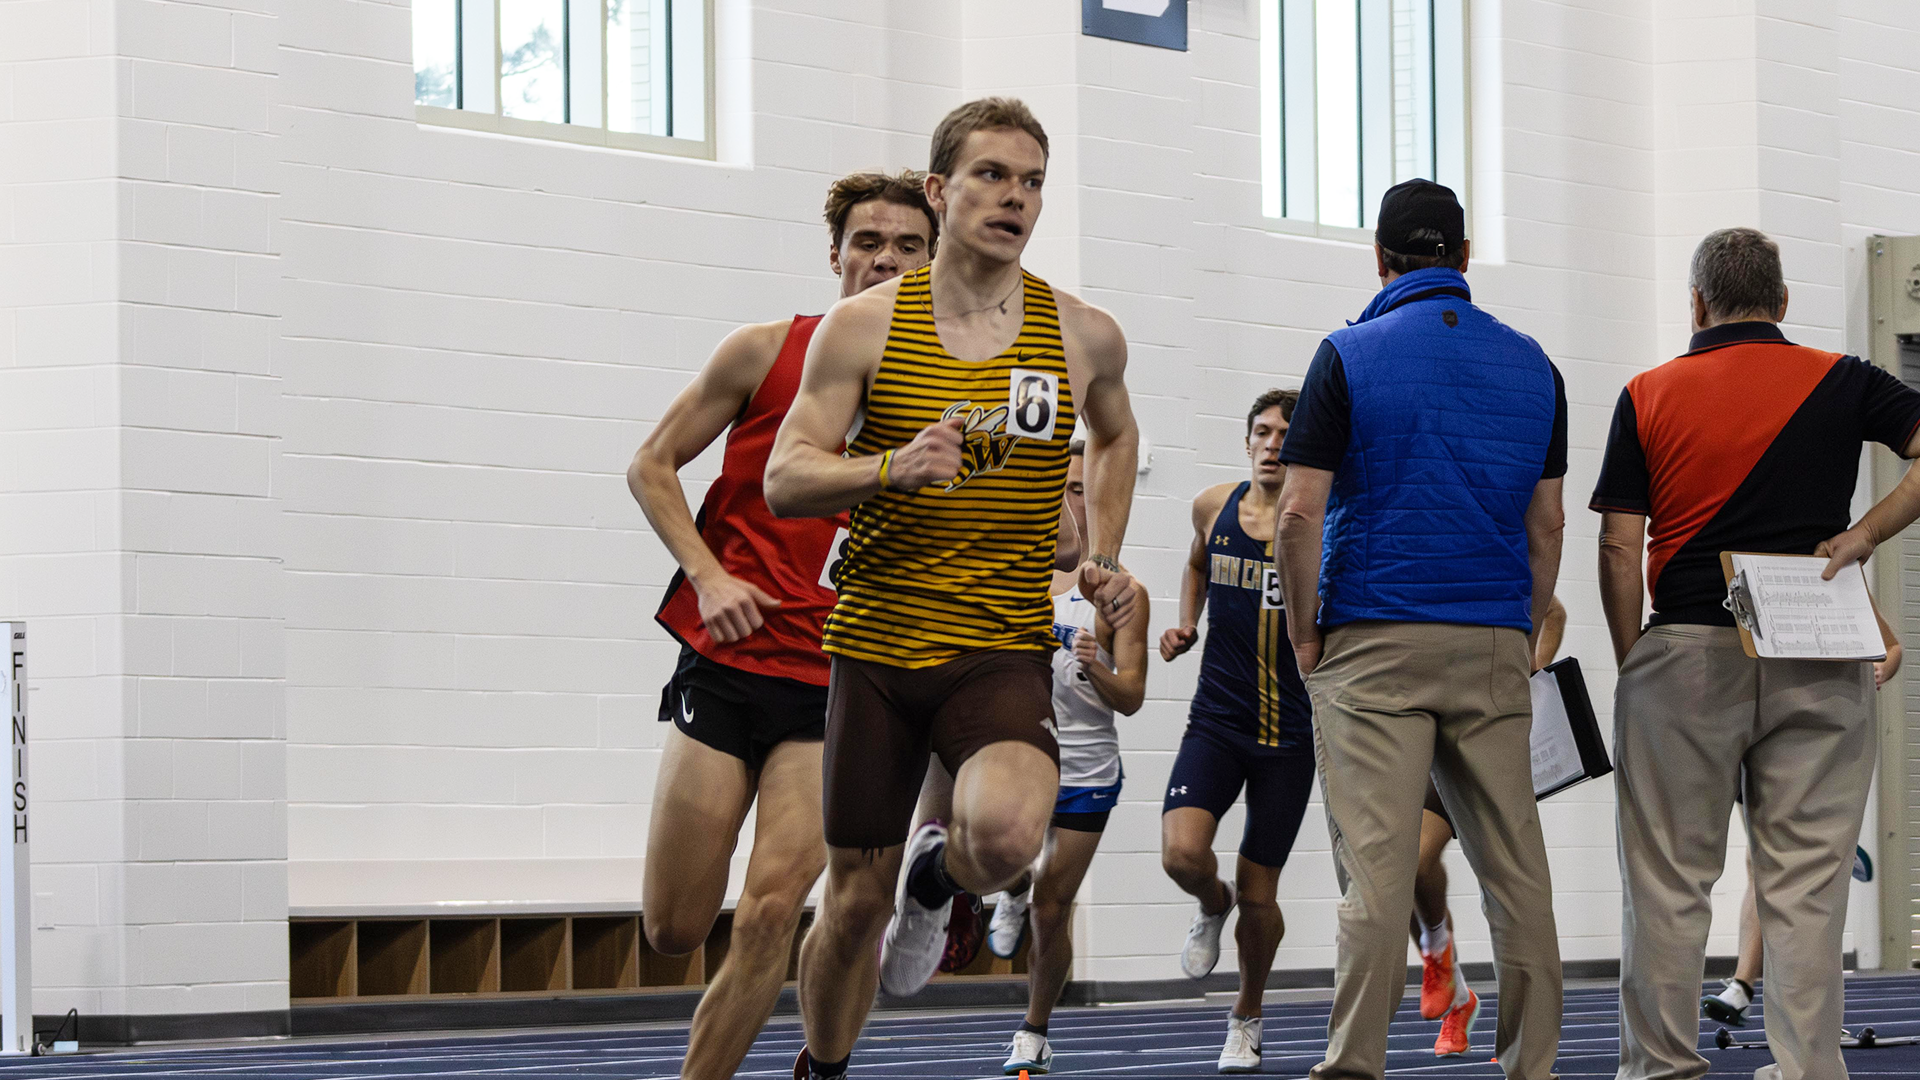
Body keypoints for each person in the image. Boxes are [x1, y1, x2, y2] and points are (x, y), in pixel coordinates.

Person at [764, 97, 1141, 1080]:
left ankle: (941, 877)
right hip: (879, 649)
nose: (1014, 198)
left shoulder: (1083, 332)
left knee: (1012, 840)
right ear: (940, 189)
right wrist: (888, 470)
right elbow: (786, 476)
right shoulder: (864, 327)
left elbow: (1117, 431)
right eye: (991, 175)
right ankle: (825, 1066)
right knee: (850, 908)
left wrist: (1100, 547)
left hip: (999, 645)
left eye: (1031, 182)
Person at [625, 171, 936, 1080]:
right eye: (867, 240)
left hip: (840, 682)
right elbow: (651, 465)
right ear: (834, 252)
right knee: (675, 927)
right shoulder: (765, 350)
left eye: (908, 244)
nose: (885, 256)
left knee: (770, 909)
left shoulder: (947, 389)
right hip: (726, 664)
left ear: (934, 257)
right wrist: (708, 573)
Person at [1594, 226, 1920, 1080]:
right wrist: (1863, 535)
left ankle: (1662, 1068)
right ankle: (1808, 1069)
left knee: (1668, 881)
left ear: (1696, 304)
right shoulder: (1848, 380)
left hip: (1687, 650)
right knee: (1807, 887)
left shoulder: (1648, 392)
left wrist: (1638, 659)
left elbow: (1620, 549)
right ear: (1783, 304)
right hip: (1820, 642)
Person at [1275, 178, 1568, 1080]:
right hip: (1489, 641)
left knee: (1377, 877)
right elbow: (1547, 524)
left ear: (1380, 258)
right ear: (1467, 259)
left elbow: (1297, 513)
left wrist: (1302, 634)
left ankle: (1356, 1065)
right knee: (1517, 874)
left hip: (1372, 642)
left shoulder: (1347, 353)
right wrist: (1519, 629)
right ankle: (1532, 1067)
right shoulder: (1536, 365)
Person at [1155, 388, 1315, 1074]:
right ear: (1246, 441)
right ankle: (1208, 904)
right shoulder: (1211, 508)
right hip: (1217, 720)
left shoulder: (1320, 523)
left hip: (1290, 736)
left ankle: (1246, 1016)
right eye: (1264, 431)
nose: (1274, 442)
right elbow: (1196, 561)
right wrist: (1187, 621)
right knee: (1182, 856)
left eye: (1287, 433)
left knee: (1262, 895)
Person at [1701, 614, 1899, 1031]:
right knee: (1762, 865)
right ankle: (1746, 986)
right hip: (1748, 724)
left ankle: (1783, 1003)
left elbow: (1892, 646)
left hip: (1813, 728)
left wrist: (1883, 667)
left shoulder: (1832, 566)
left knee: (1786, 872)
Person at [1410, 594, 1567, 1058]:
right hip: (1421, 728)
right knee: (1408, 866)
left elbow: (1554, 612)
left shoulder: (1484, 548)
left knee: (1506, 884)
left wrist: (1531, 671)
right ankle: (1450, 981)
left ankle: (1519, 1035)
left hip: (1483, 727)